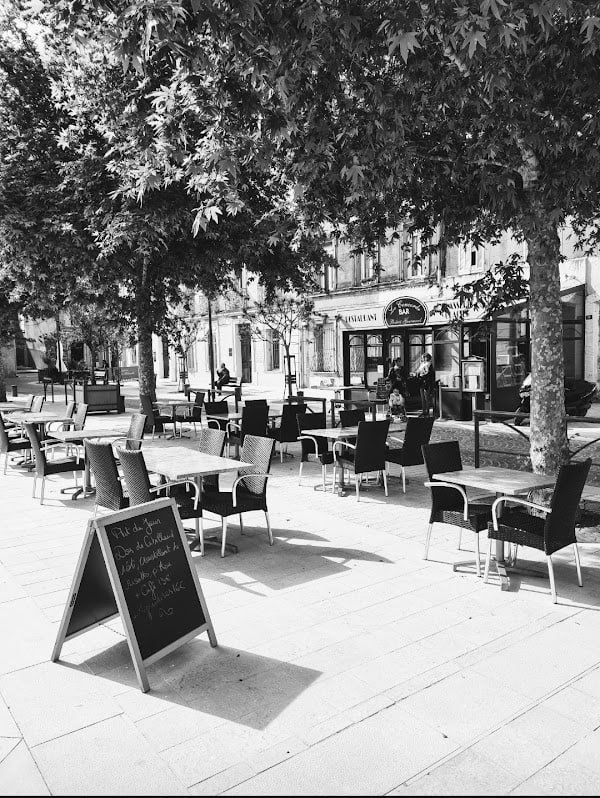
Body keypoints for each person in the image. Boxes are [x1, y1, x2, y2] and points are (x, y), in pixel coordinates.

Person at [416, 353, 436, 417]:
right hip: (421, 382)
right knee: (422, 398)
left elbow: (429, 374)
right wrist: (418, 373)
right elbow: (418, 371)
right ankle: (423, 411)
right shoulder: (422, 364)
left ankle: (427, 411)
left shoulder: (429, 364)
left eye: (424, 357)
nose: (423, 359)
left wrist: (422, 374)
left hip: (426, 382)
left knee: (426, 397)